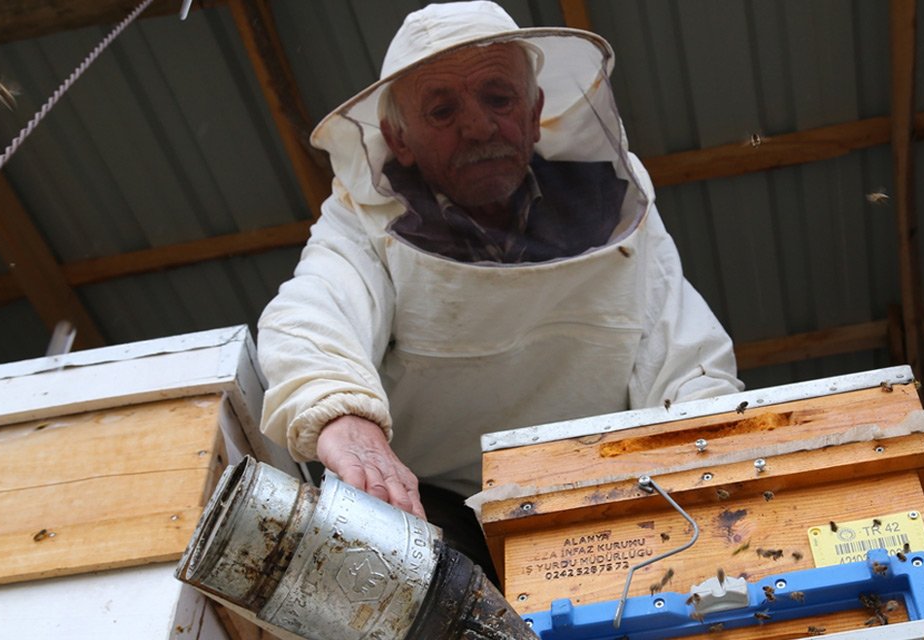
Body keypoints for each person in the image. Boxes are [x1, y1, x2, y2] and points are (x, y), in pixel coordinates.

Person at [256, 1, 741, 568]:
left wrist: (713, 465)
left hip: (607, 491)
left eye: (498, 98)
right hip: (434, 505)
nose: (479, 125)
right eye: (442, 110)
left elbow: (687, 361)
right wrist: (341, 414)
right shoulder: (363, 218)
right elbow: (312, 313)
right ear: (398, 137)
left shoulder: (615, 206)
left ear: (535, 112)